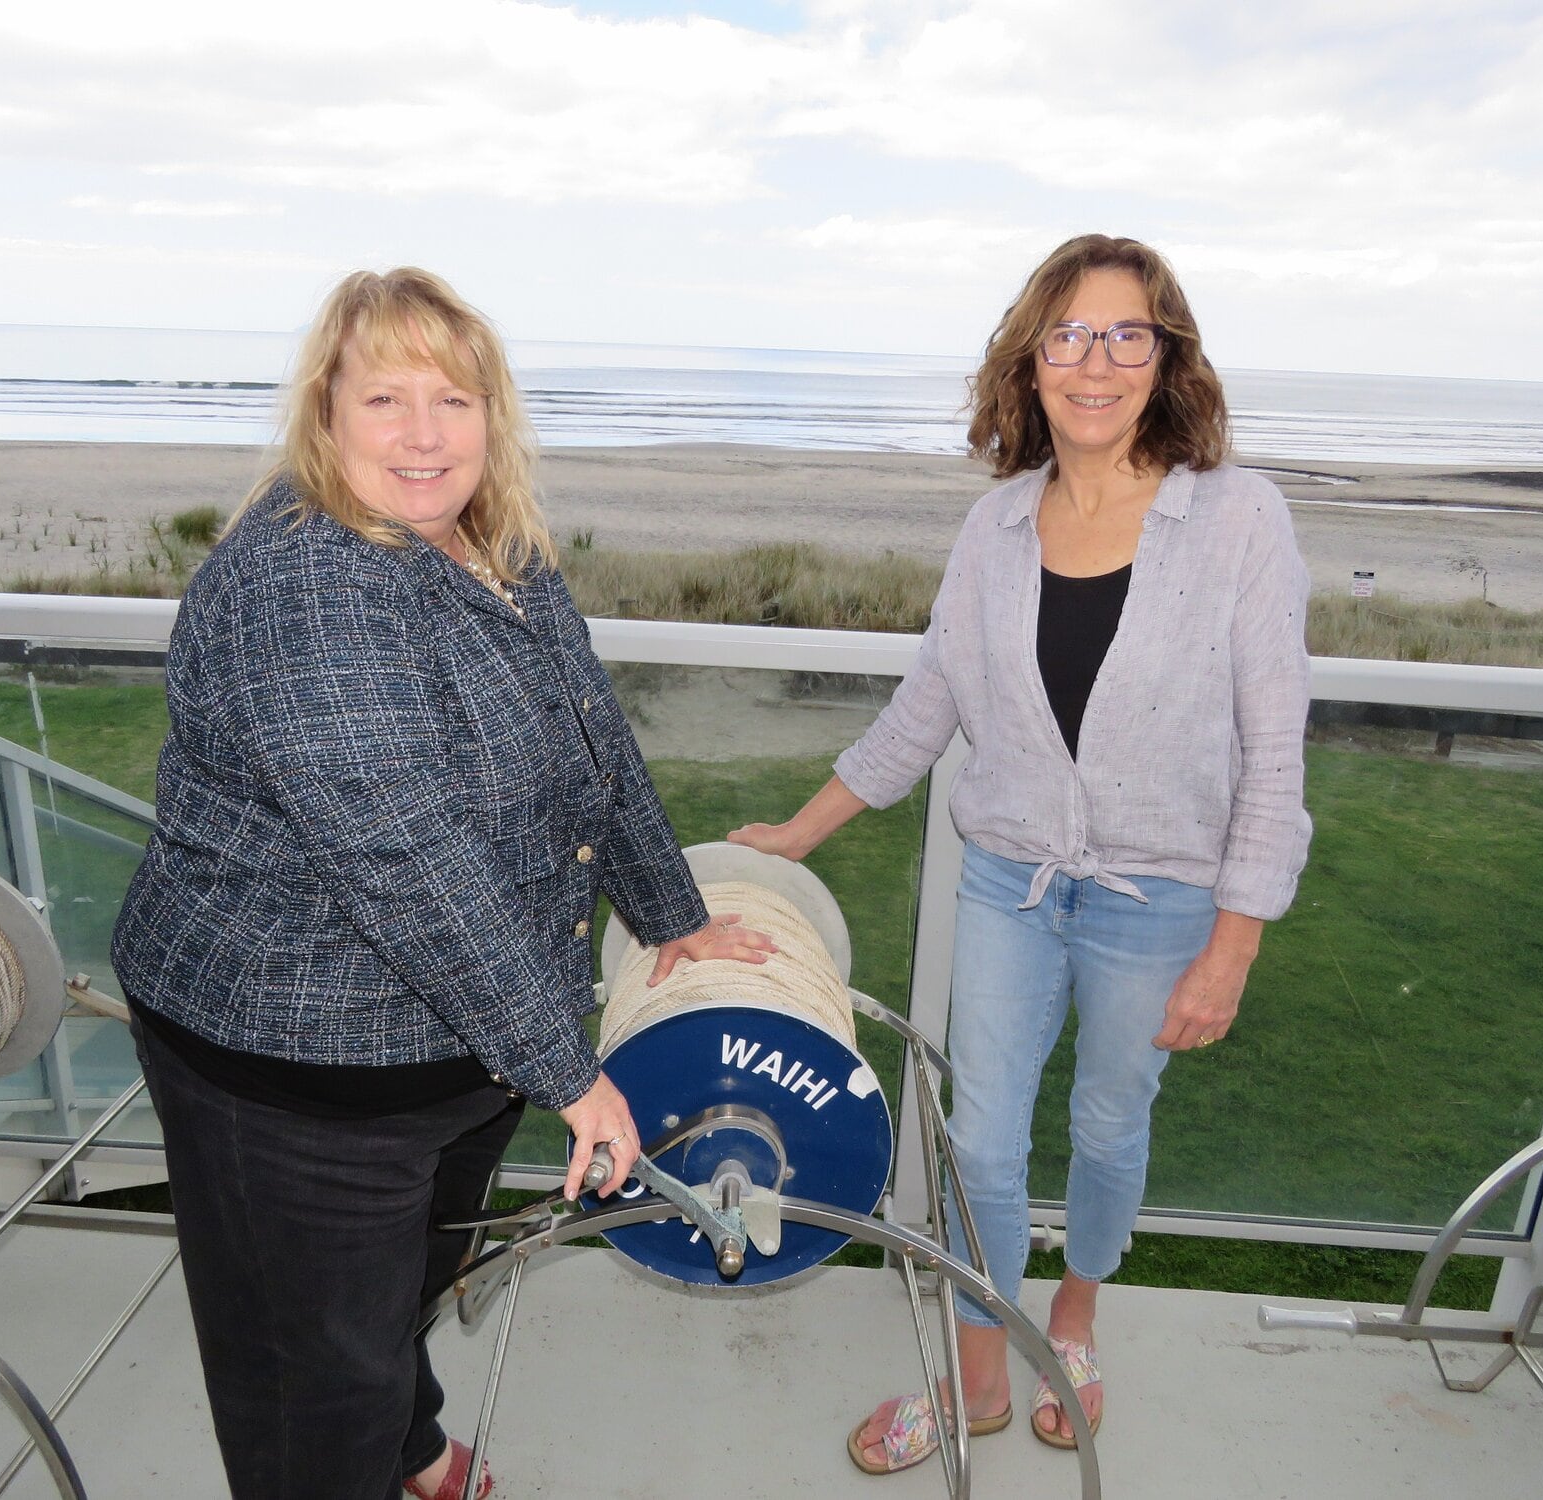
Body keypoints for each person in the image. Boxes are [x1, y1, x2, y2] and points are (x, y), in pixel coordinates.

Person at [112, 267, 773, 1500]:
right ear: (325, 416)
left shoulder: (494, 541)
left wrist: (666, 906)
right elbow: (397, 850)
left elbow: (594, 732)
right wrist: (566, 1071)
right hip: (297, 1068)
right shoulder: (305, 586)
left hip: (455, 1052)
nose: (425, 434)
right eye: (386, 400)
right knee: (314, 1372)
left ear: (492, 416)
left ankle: (408, 1445)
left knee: (401, 1290)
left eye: (454, 399)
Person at [730, 234, 1311, 1470]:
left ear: (1165, 358)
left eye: (1124, 335)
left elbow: (1274, 751)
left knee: (1109, 1125)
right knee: (979, 1138)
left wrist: (1234, 946)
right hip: (1006, 882)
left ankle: (1077, 1317)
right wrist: (800, 831)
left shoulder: (1238, 520)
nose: (1093, 362)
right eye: (1067, 336)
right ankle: (978, 1368)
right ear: (1030, 362)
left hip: (1161, 899)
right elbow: (926, 703)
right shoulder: (995, 526)